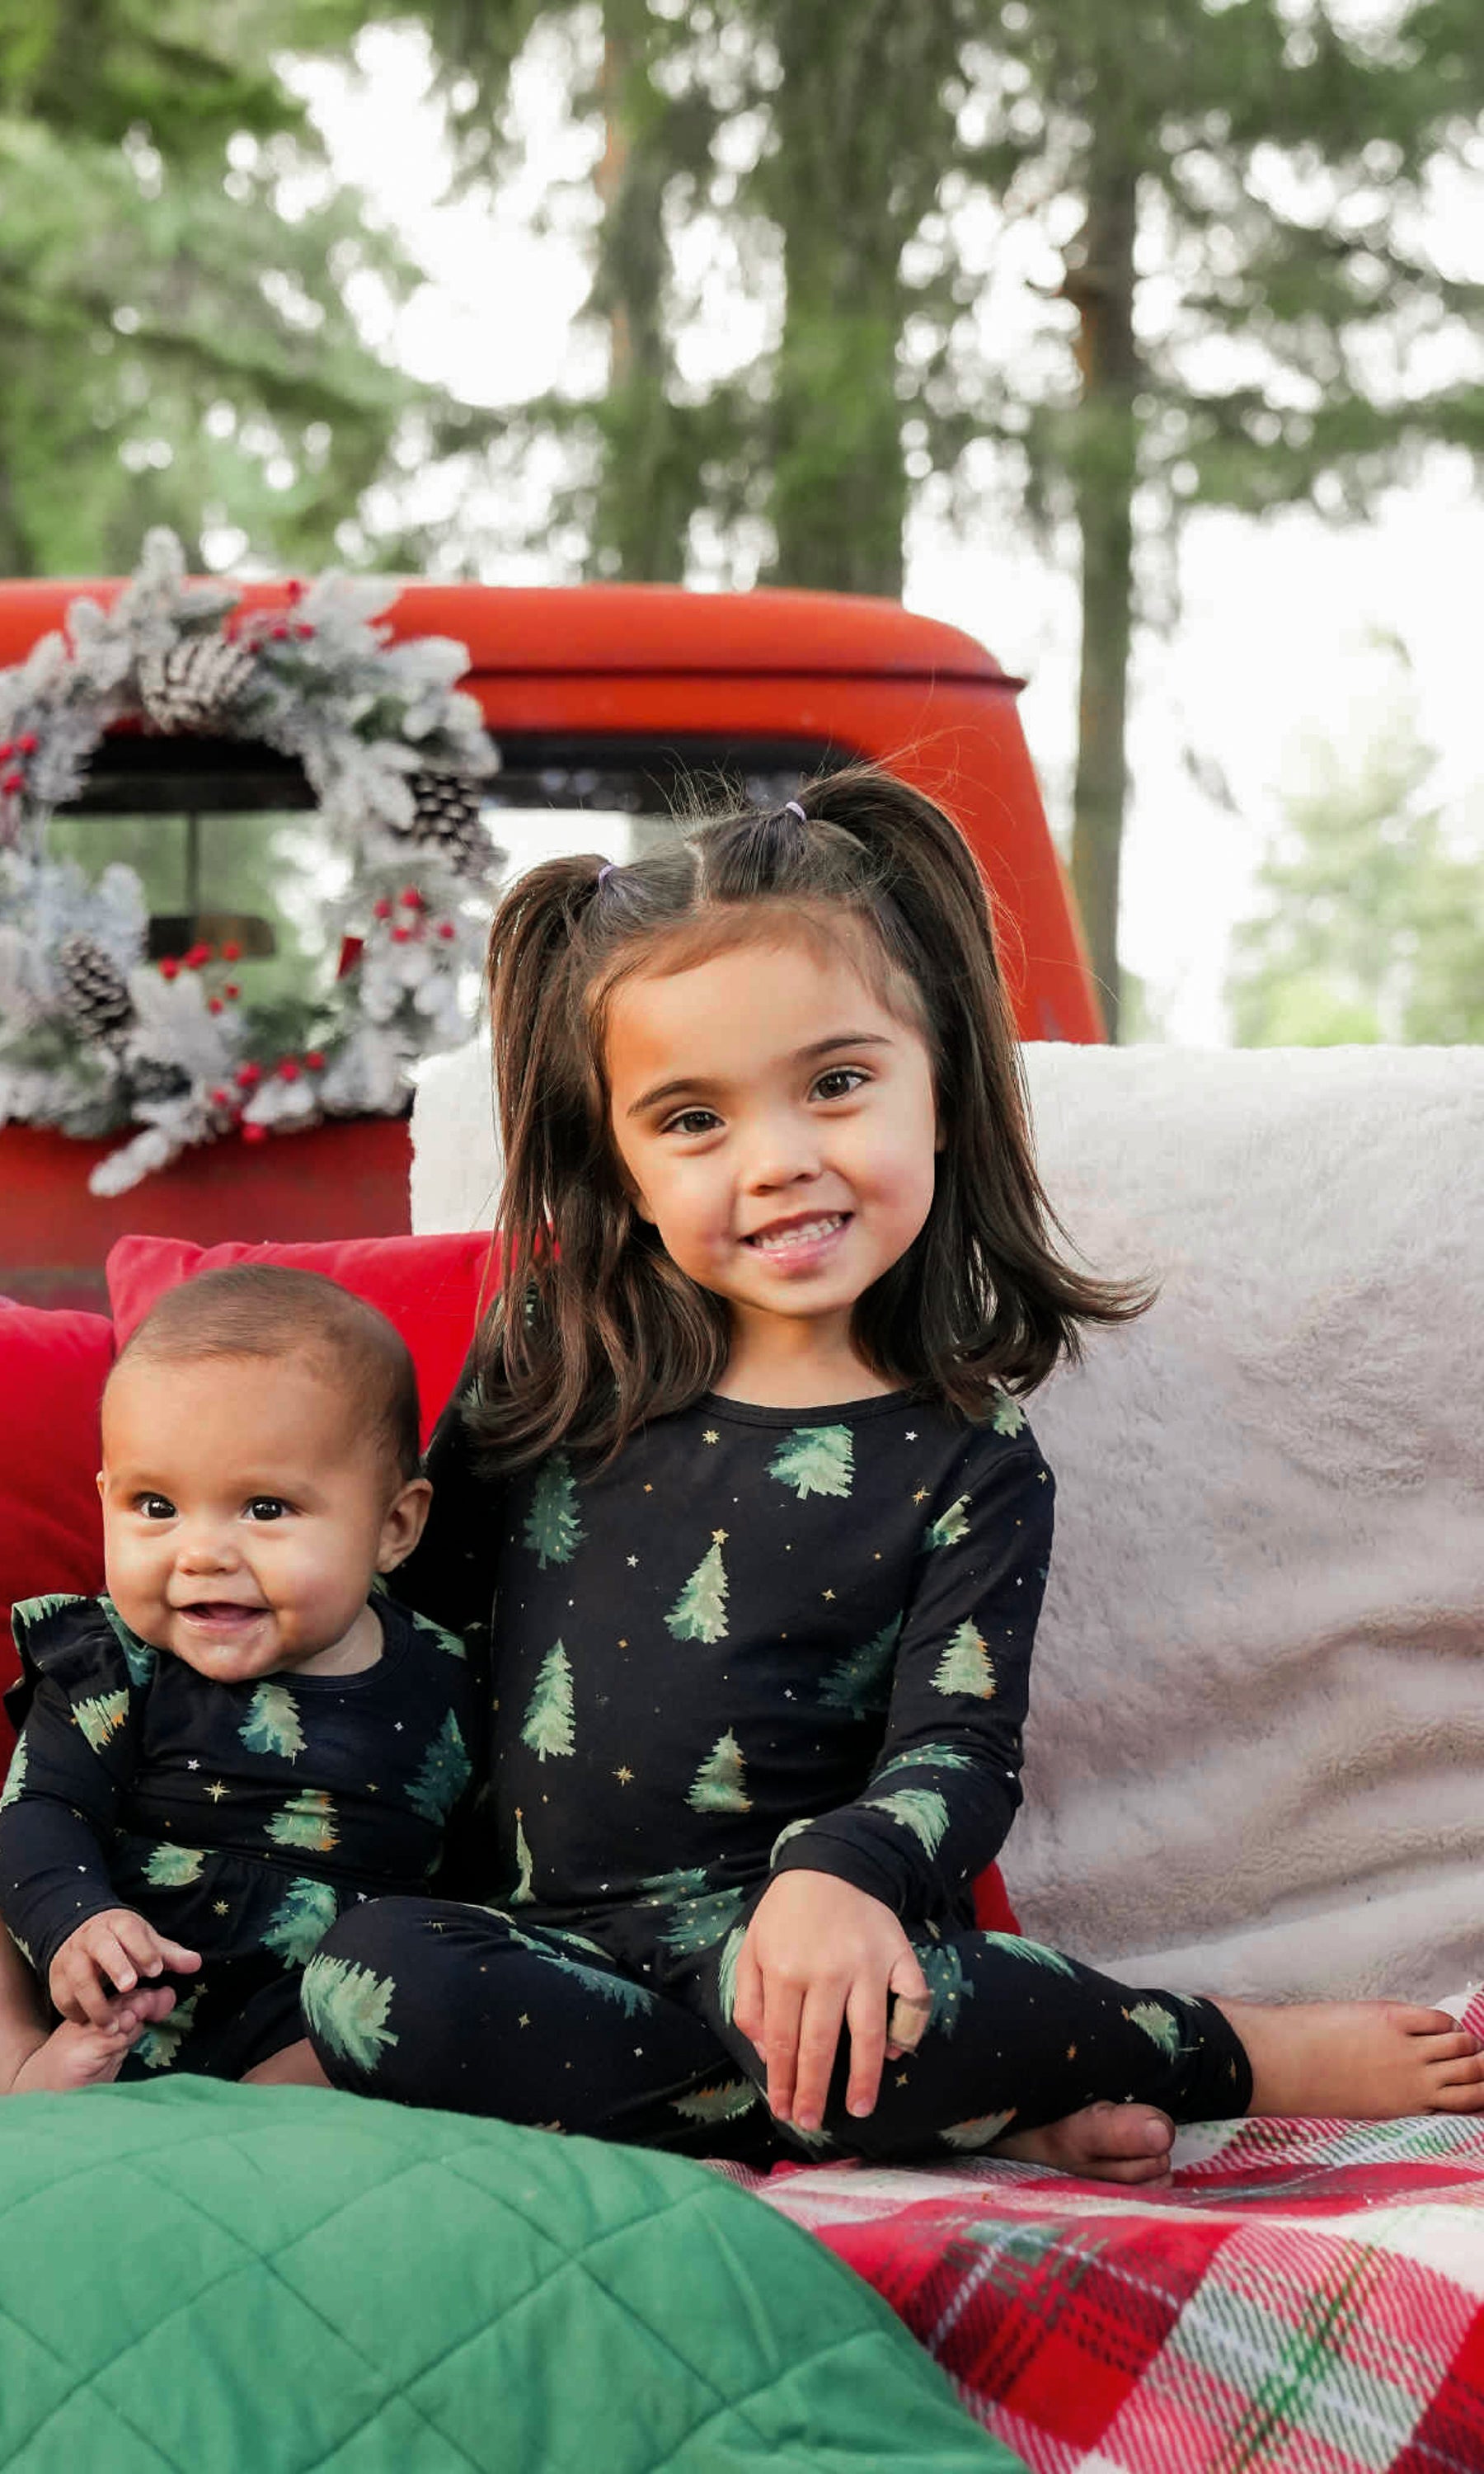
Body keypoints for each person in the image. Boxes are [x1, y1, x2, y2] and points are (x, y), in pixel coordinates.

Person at [295, 766, 1484, 2180]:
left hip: (820, 1945)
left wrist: (836, 1876)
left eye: (838, 1084)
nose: (781, 1161)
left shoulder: (968, 1461)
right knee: (367, 1980)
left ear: (942, 1088)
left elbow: (955, 1753)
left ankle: (1214, 2042)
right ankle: (988, 2108)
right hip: (541, 1951)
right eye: (693, 1121)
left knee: (891, 2018)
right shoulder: (551, 1374)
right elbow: (416, 1635)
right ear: (616, 1164)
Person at [0, 1265, 480, 2097]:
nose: (201, 1555)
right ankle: (17, 2083)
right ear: (107, 1499)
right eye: (155, 1506)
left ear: (394, 1526)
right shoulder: (112, 1662)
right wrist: (73, 1923)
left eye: (264, 1508)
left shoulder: (450, 1683)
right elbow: (45, 1813)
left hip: (301, 2026)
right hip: (101, 1997)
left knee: (427, 1984)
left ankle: (252, 2123)